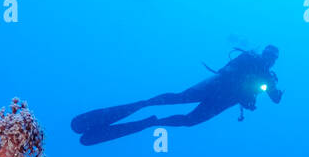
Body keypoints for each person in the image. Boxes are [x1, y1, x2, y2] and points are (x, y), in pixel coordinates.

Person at [71, 45, 283, 145]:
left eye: (273, 58)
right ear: (264, 53)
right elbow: (228, 69)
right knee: (180, 98)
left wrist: (275, 93)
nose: (270, 59)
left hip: (223, 101)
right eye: (269, 55)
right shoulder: (249, 58)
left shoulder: (268, 77)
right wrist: (244, 81)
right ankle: (145, 104)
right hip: (215, 87)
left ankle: (150, 122)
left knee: (190, 121)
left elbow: (273, 97)